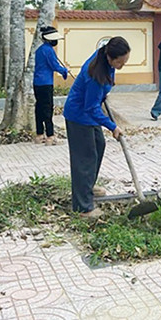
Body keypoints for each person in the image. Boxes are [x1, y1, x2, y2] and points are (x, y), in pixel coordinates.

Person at [63, 37, 131, 218]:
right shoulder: (95, 75)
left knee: (99, 146)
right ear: (110, 57)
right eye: (120, 62)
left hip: (88, 113)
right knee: (85, 158)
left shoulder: (104, 55)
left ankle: (87, 186)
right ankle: (83, 207)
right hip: (79, 116)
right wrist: (112, 126)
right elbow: (91, 108)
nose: (122, 65)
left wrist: (104, 93)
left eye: (125, 61)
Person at [33, 26, 69, 145]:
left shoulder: (39, 50)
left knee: (39, 108)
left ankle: (39, 134)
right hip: (46, 83)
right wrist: (64, 70)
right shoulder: (48, 50)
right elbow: (54, 65)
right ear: (49, 39)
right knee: (47, 109)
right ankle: (50, 136)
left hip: (37, 83)